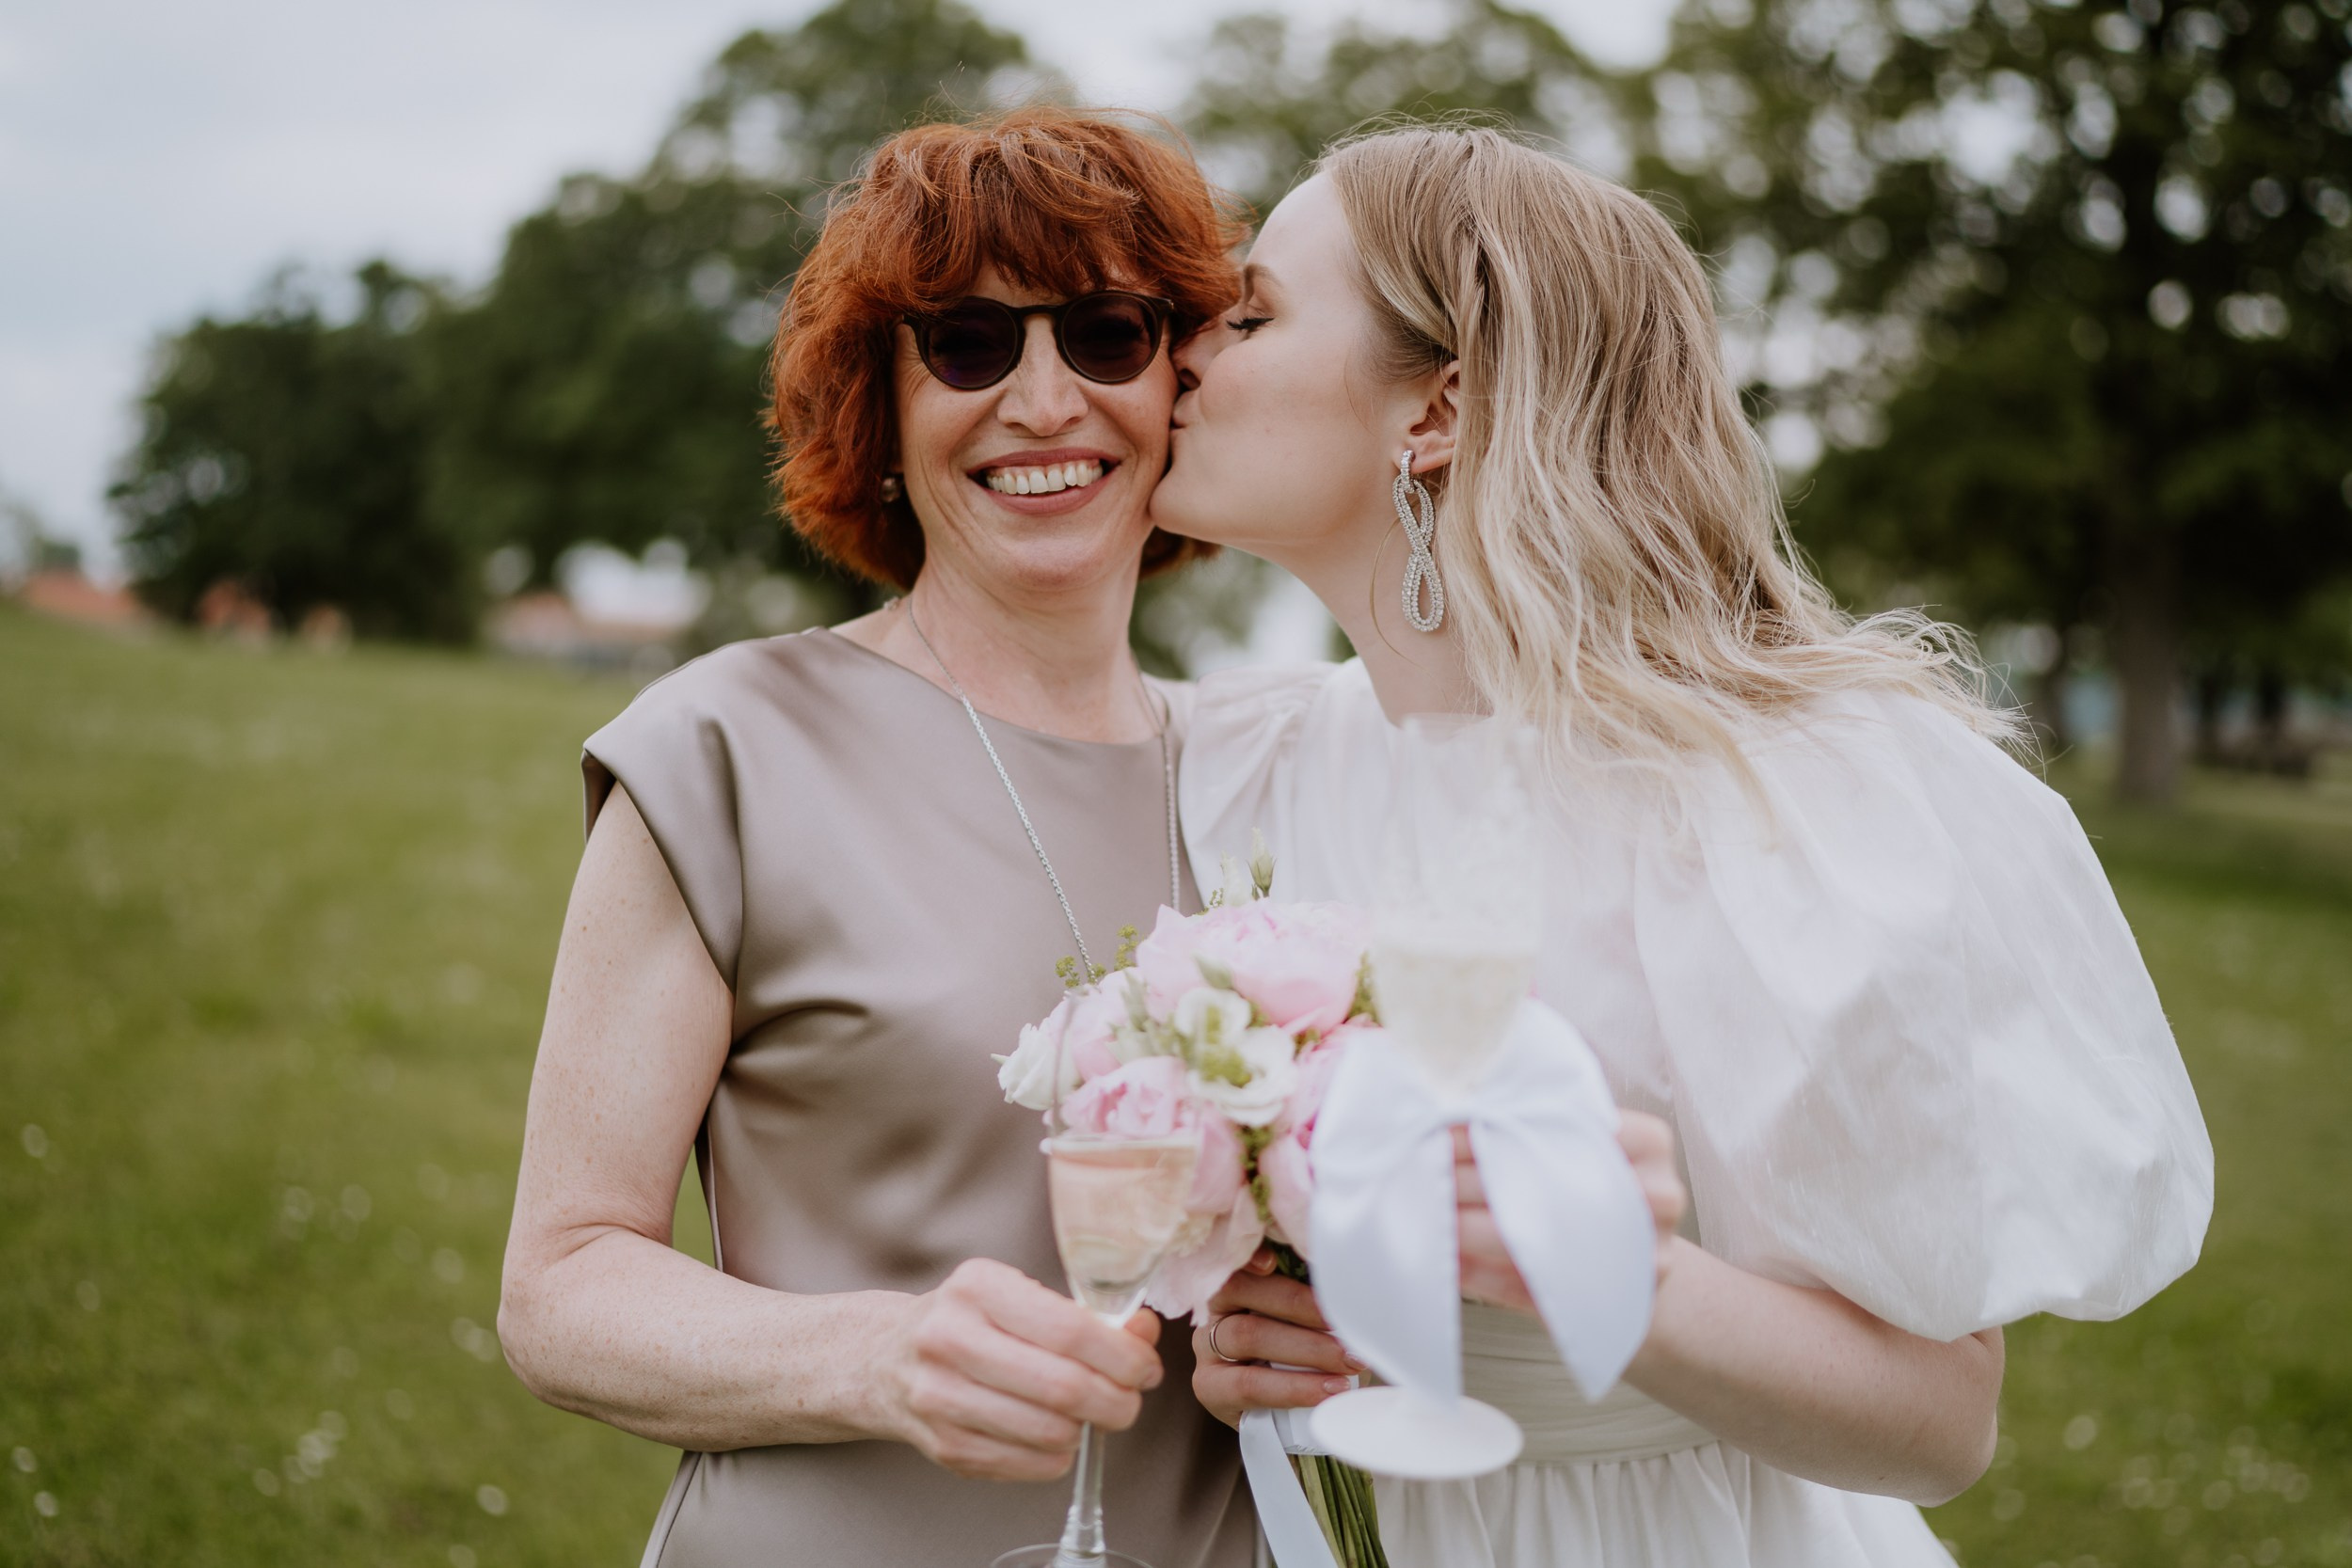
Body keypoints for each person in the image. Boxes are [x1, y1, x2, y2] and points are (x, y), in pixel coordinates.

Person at [1151, 125, 2213, 1566]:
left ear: (1438, 408)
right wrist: (1269, 1340)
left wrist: (1618, 1279)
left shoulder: (1789, 801)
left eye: (1254, 313)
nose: (1185, 351)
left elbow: (1942, 1426)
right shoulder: (1244, 768)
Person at [497, 108, 1257, 1568]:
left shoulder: (1274, 770)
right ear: (883, 409)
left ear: (1182, 379)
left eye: (1105, 332)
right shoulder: (726, 746)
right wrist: (880, 1357)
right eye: (968, 344)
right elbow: (562, 1286)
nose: (1045, 400)